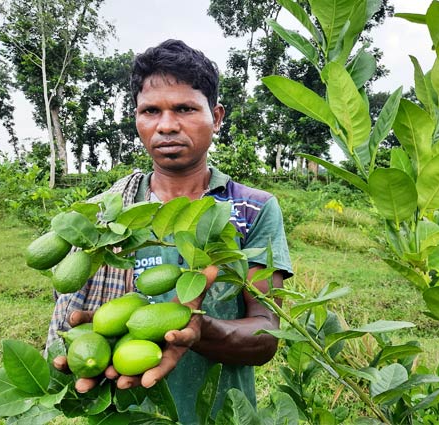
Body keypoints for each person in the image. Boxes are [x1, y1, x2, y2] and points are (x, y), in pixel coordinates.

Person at [47, 39, 293, 424]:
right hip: (129, 409)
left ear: (217, 116)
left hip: (222, 413)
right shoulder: (111, 213)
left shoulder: (253, 208)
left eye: (184, 109)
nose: (166, 125)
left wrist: (199, 329)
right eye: (151, 111)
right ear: (136, 119)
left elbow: (265, 334)